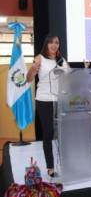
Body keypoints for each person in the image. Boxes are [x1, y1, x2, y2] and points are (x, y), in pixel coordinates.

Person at [26, 35, 69, 177]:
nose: (54, 45)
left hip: (59, 100)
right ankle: (50, 167)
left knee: (63, 133)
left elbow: (71, 76)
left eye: (57, 42)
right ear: (47, 44)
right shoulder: (40, 58)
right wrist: (33, 69)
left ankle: (65, 163)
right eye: (51, 42)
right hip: (43, 100)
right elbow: (28, 78)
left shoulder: (61, 61)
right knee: (49, 132)